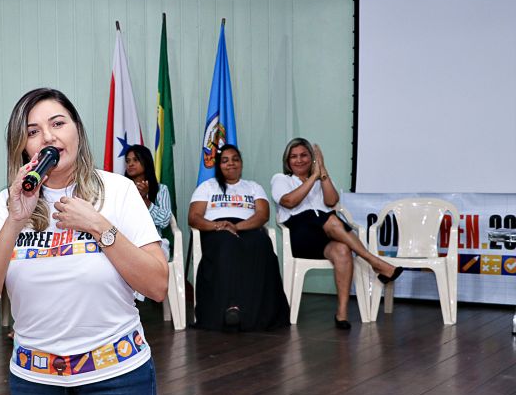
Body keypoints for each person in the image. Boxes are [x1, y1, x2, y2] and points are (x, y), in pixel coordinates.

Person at [0, 88, 167, 395]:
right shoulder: (5, 203)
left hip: (116, 381)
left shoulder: (118, 192)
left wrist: (98, 226)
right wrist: (14, 220)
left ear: (77, 130)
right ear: (23, 147)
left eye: (58, 123)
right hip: (37, 386)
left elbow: (157, 285)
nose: (49, 138)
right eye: (34, 131)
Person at [271, 137, 402, 330]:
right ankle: (374, 261)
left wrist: (322, 174)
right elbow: (289, 202)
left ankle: (341, 313)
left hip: (326, 236)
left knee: (342, 249)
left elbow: (332, 201)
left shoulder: (319, 178)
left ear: (312, 159)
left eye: (304, 155)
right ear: (287, 161)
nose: (299, 160)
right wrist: (313, 177)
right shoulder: (280, 179)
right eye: (294, 157)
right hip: (300, 236)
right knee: (331, 219)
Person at [188, 144, 289, 332]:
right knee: (227, 244)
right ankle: (230, 308)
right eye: (225, 161)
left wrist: (236, 227)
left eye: (235, 159)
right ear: (218, 165)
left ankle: (257, 313)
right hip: (216, 230)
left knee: (261, 243)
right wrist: (218, 226)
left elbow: (262, 215)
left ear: (241, 163)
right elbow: (194, 217)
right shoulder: (207, 187)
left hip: (247, 226)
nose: (231, 164)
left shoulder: (253, 187)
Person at [124, 144, 172, 258]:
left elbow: (165, 221)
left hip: (153, 242)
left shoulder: (161, 189)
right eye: (128, 161)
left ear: (146, 162)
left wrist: (145, 200)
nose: (130, 164)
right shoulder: (121, 188)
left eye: (136, 160)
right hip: (126, 241)